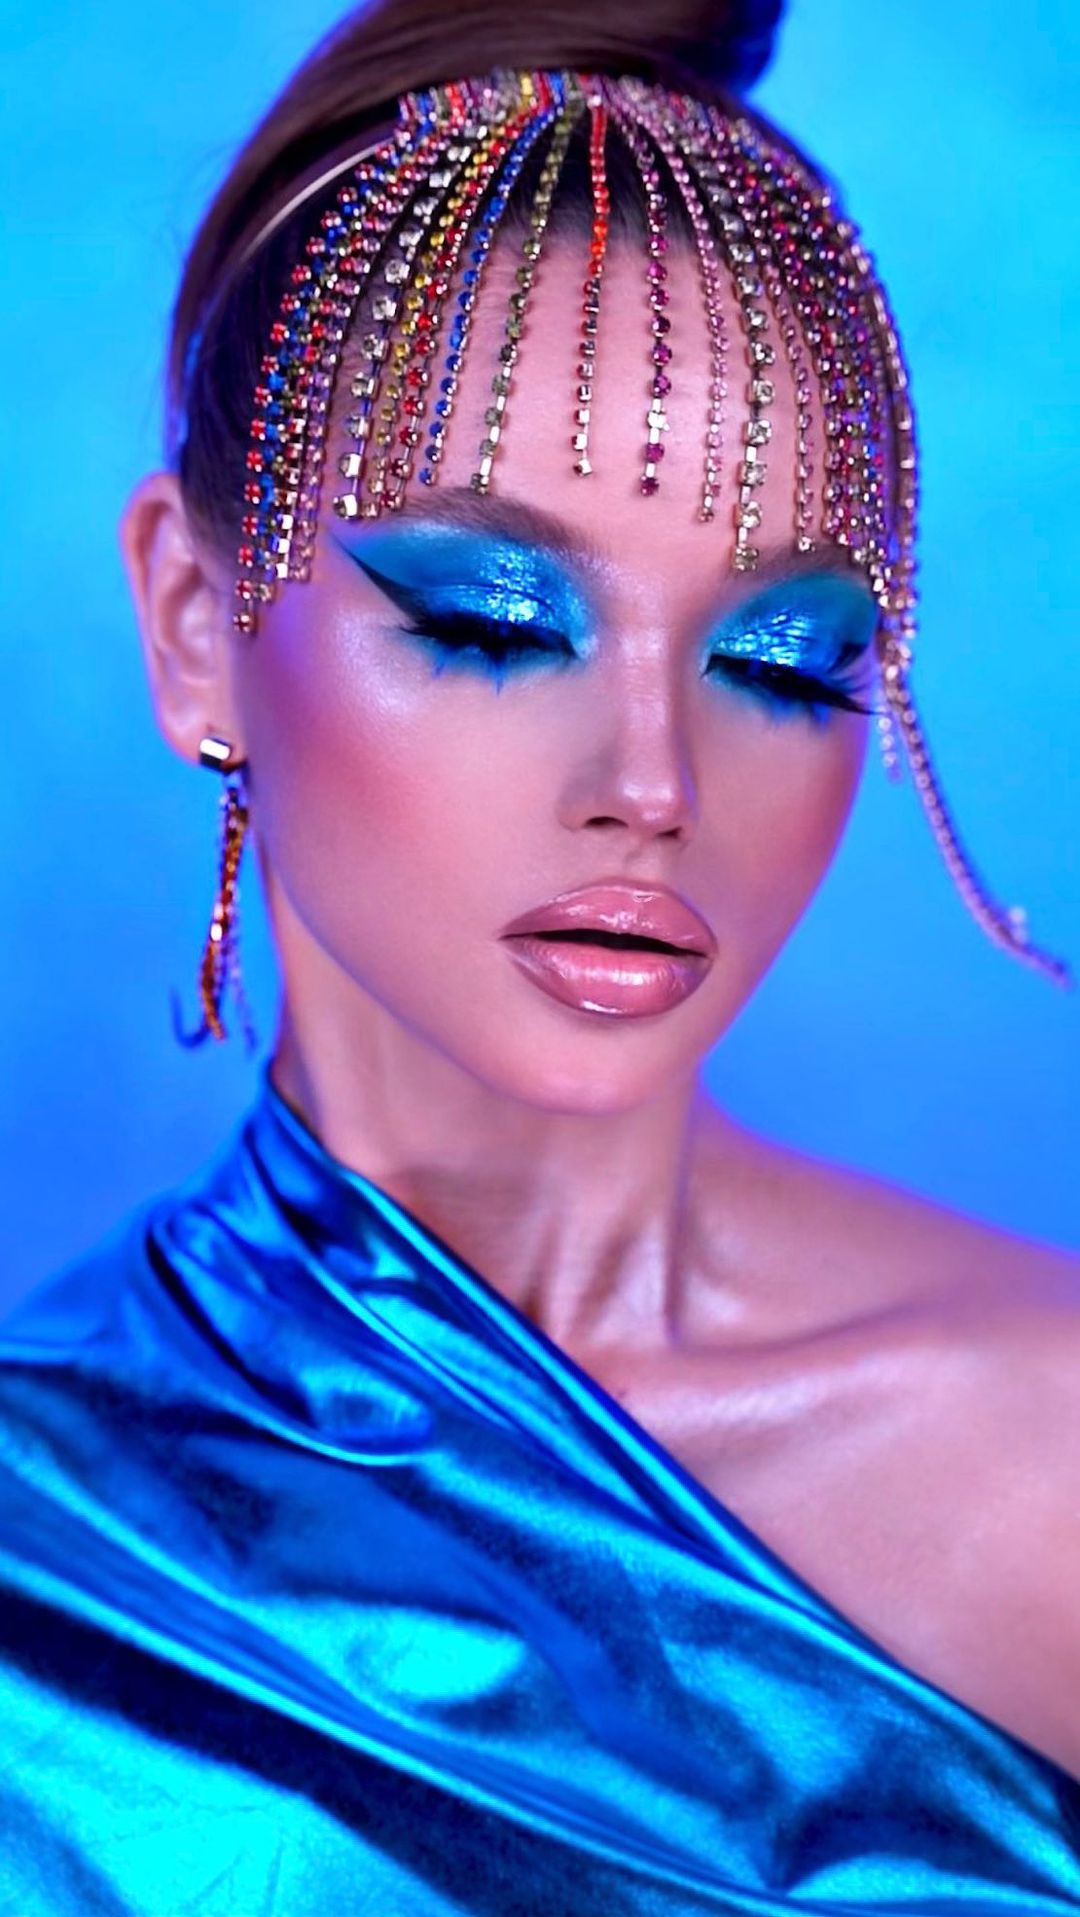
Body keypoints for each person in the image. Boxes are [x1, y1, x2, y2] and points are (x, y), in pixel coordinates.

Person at [2, 2, 1078, 1910]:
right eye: (494, 622)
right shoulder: (34, 1533)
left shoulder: (1050, 1455)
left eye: (783, 659)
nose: (653, 784)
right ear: (191, 620)